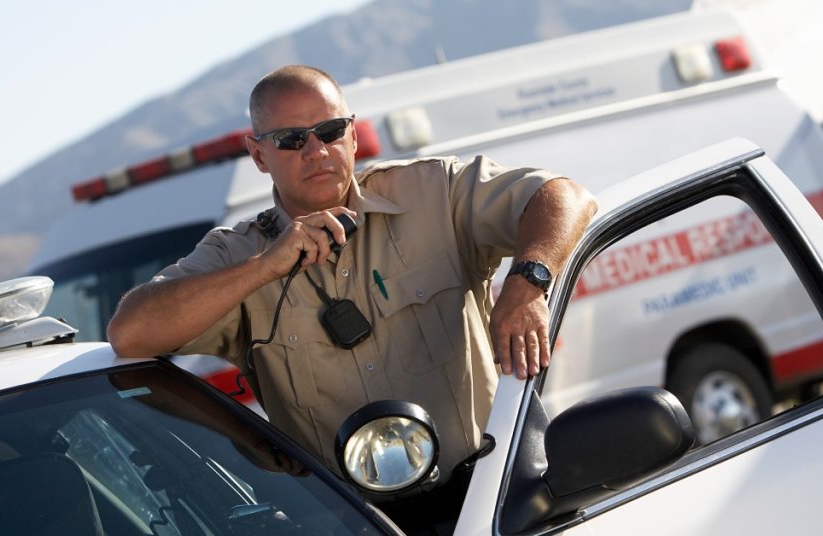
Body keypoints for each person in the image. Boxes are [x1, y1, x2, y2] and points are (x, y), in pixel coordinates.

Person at [107, 64, 596, 515]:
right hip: (357, 521)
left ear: (353, 135)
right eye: (291, 139)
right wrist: (264, 266)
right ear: (259, 155)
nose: (316, 151)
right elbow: (130, 333)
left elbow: (565, 196)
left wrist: (529, 282)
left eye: (330, 131)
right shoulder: (236, 255)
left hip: (494, 499)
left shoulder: (432, 194)